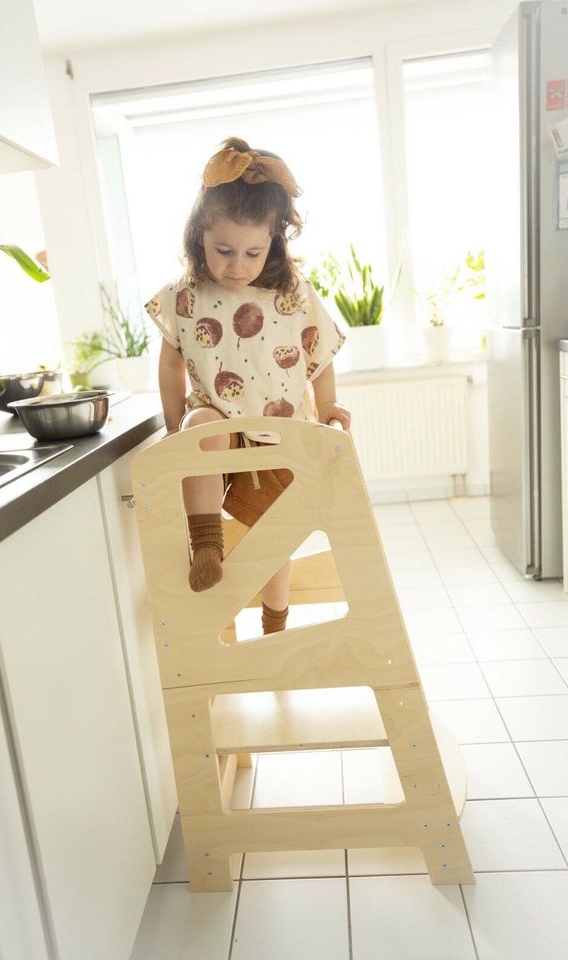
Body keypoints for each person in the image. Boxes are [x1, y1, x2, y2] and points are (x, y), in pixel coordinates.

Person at [144, 136, 350, 634]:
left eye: (252, 252)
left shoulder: (292, 294)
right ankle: (206, 543)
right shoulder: (184, 297)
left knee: (272, 536)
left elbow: (318, 358)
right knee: (201, 425)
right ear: (199, 238)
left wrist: (330, 409)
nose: (237, 266)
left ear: (274, 243)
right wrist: (177, 431)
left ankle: (274, 619)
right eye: (224, 251)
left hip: (276, 430)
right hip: (217, 420)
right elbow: (170, 367)